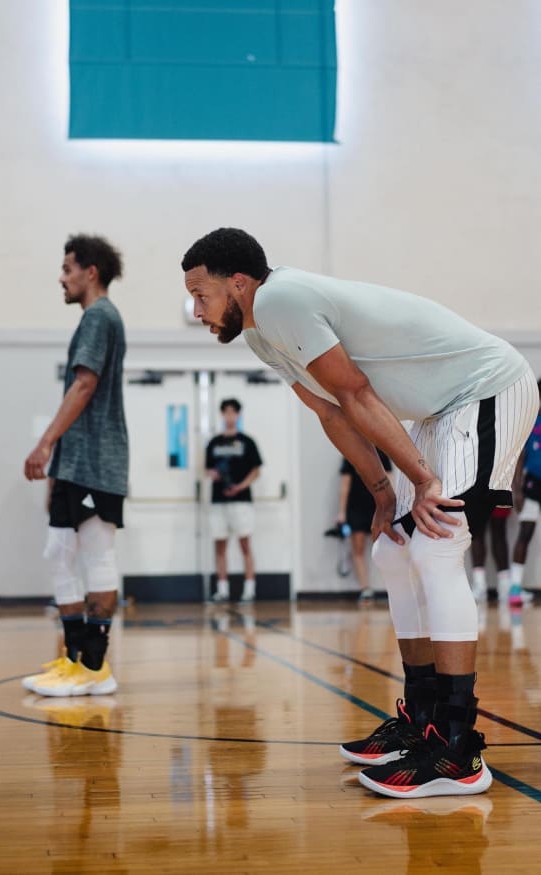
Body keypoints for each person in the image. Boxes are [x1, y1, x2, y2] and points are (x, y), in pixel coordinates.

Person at [181, 227, 537, 798]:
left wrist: (419, 480)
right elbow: (332, 414)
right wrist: (383, 493)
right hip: (435, 411)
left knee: (436, 543)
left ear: (239, 284)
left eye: (201, 294)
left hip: (486, 387)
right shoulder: (259, 334)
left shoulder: (281, 301)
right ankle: (423, 721)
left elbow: (358, 393)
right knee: (392, 551)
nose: (195, 309)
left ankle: (457, 749)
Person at [22, 234, 128, 697]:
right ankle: (73, 658)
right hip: (76, 463)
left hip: (97, 463)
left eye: (67, 269)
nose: (60, 278)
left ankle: (95, 667)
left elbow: (84, 386)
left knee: (96, 557)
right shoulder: (94, 318)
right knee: (58, 553)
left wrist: (45, 443)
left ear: (91, 272)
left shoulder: (100, 317)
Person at [205, 398, 262, 603]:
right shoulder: (214, 443)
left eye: (233, 412)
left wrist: (240, 486)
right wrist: (213, 474)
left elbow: (256, 470)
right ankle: (222, 589)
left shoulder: (247, 442)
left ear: (238, 415)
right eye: (226, 412)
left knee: (245, 544)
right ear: (222, 415)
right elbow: (208, 468)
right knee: (220, 545)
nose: (229, 416)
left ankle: (249, 589)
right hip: (219, 501)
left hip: (241, 501)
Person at [337, 451, 392, 601]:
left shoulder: (382, 453)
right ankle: (365, 588)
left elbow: (390, 480)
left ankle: (392, 587)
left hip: (377, 506)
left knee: (384, 547)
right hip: (355, 508)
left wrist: (391, 507)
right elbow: (344, 485)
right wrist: (341, 512)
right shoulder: (349, 451)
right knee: (358, 547)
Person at [508, 380, 541, 606]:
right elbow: (519, 458)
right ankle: (515, 589)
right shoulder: (531, 422)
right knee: (525, 533)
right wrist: (516, 489)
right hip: (533, 485)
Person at [469, 508, 514, 604]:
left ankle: (504, 586)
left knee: (499, 531)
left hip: (498, 493)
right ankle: (479, 585)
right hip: (475, 494)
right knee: (477, 531)